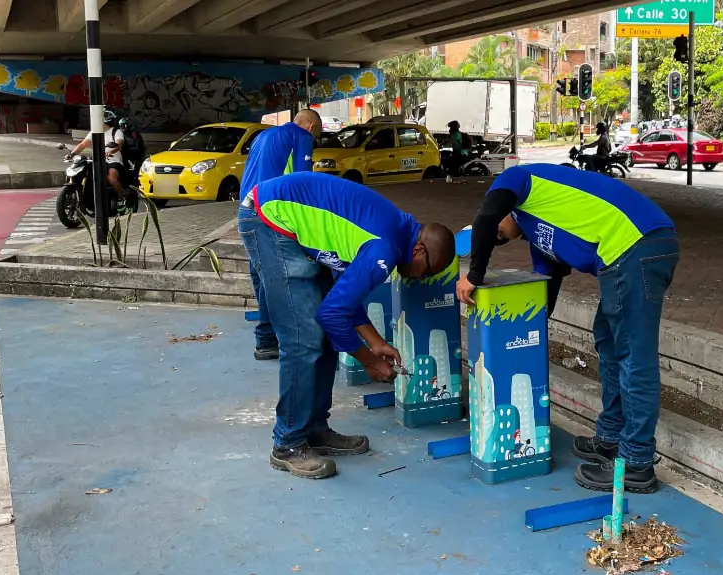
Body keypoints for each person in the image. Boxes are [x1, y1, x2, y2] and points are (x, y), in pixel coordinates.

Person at [455, 164, 678, 493]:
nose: (497, 236)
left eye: (496, 233)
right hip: (624, 254)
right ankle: (611, 438)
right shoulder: (537, 233)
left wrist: (473, 275)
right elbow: (547, 287)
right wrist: (524, 334)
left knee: (633, 353)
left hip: (637, 244)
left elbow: (487, 216)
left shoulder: (518, 180)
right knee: (610, 343)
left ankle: (637, 463)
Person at [246, 172, 456, 479]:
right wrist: (369, 361)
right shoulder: (386, 250)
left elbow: (341, 296)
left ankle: (314, 429)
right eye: (426, 272)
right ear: (419, 251)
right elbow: (331, 313)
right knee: (303, 339)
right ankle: (288, 443)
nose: (420, 278)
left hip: (284, 216)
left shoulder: (395, 233)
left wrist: (375, 342)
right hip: (270, 220)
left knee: (325, 337)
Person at [237, 110, 322, 361]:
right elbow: (302, 181)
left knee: (260, 275)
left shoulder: (263, 136)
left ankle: (268, 335)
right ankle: (266, 340)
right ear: (310, 127)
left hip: (246, 209)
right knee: (273, 280)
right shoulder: (301, 137)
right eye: (317, 133)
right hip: (269, 212)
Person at [69, 110, 127, 199]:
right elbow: (83, 144)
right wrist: (72, 154)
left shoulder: (116, 131)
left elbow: (119, 145)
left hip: (113, 160)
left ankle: (122, 196)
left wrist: (110, 152)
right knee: (82, 172)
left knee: (111, 177)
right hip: (96, 160)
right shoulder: (94, 131)